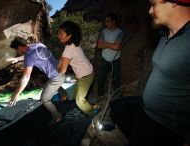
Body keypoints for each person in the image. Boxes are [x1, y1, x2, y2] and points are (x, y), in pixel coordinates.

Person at [110, 0, 190, 146]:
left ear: (174, 3)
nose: (150, 11)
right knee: (116, 107)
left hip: (165, 123)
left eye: (154, 4)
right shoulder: (164, 34)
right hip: (145, 106)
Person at [8, 36, 65, 123]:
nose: (18, 52)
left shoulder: (29, 57)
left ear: (19, 47)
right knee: (45, 85)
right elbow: (31, 55)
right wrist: (17, 59)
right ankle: (64, 94)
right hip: (60, 70)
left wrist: (16, 94)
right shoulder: (38, 45)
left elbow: (26, 77)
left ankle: (58, 117)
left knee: (44, 99)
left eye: (17, 50)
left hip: (55, 78)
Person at [57, 21, 96, 115]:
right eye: (58, 33)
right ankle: (87, 107)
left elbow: (62, 70)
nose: (58, 35)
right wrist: (59, 64)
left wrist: (54, 75)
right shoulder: (72, 45)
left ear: (69, 35)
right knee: (75, 95)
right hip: (85, 73)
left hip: (85, 76)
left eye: (61, 33)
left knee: (79, 99)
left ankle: (93, 113)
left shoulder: (68, 49)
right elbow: (63, 59)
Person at [96, 12, 124, 99]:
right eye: (106, 21)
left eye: (108, 21)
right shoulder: (103, 32)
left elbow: (116, 47)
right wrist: (111, 45)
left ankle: (117, 96)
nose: (106, 23)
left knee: (116, 79)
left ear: (114, 21)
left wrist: (105, 43)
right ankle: (100, 94)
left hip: (116, 59)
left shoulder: (120, 32)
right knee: (101, 78)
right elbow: (99, 46)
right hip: (105, 59)